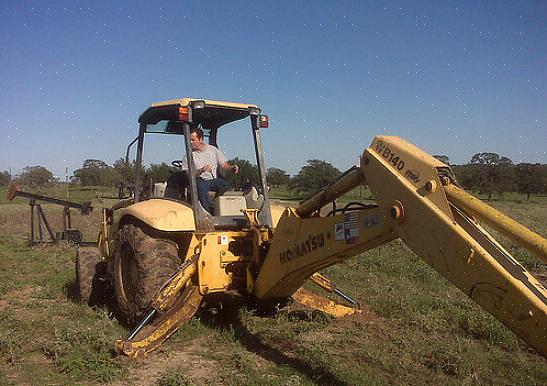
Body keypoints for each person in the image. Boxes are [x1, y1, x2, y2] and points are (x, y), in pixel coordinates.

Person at [180, 127, 239, 213]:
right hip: (199, 181)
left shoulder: (213, 150)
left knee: (225, 184)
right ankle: (209, 211)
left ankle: (218, 206)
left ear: (201, 139)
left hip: (213, 181)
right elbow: (188, 174)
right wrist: (201, 170)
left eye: (193, 140)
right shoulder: (188, 156)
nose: (190, 142)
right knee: (200, 185)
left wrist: (231, 168)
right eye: (189, 140)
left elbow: (224, 165)